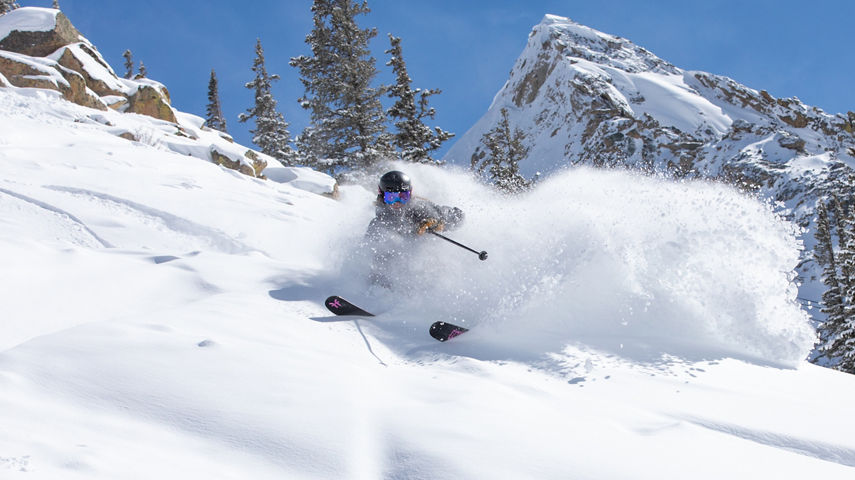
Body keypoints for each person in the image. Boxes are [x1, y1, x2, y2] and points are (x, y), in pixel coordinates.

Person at [364, 170, 464, 288]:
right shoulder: (378, 224)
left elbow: (458, 216)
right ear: (382, 196)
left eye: (403, 197)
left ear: (410, 195)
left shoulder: (421, 208)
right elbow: (367, 252)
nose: (397, 202)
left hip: (428, 264)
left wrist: (440, 224)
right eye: (391, 197)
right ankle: (378, 293)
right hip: (400, 273)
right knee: (380, 257)